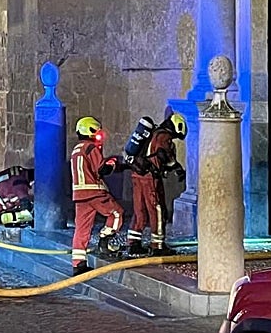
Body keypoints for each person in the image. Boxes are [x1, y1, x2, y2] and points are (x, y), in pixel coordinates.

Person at [70, 117, 124, 276]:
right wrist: (114, 163)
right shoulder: (90, 148)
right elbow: (102, 170)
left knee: (81, 228)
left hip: (79, 195)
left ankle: (78, 264)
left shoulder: (76, 150)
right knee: (116, 213)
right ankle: (105, 240)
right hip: (94, 191)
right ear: (91, 130)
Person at [127, 111, 186, 256]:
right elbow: (163, 154)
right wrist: (177, 168)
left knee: (139, 210)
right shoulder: (164, 136)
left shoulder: (153, 133)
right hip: (150, 177)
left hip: (137, 174)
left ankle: (133, 243)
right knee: (158, 210)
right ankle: (158, 245)